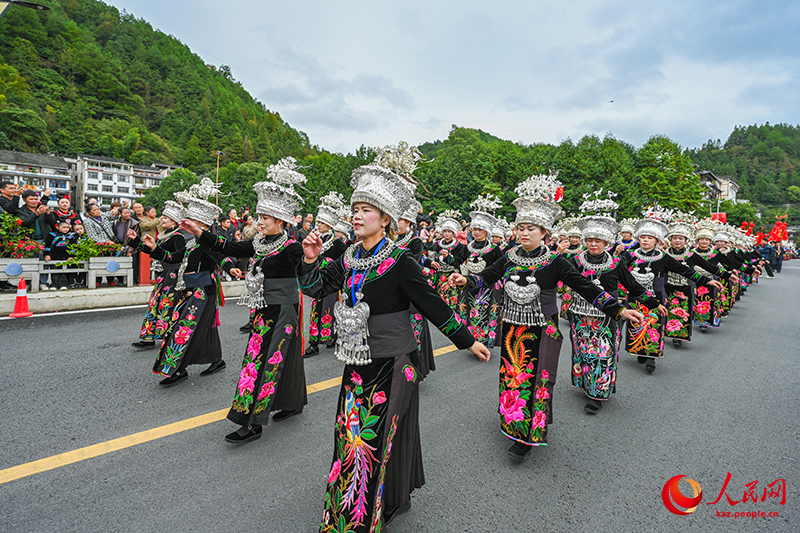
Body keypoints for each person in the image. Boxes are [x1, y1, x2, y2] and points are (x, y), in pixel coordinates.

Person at [298, 151, 490, 531]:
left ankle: (362, 516)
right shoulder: (347, 258)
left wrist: (468, 340)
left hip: (393, 362)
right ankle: (366, 504)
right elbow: (313, 288)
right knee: (349, 435)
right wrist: (308, 260)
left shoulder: (402, 261)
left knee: (374, 438)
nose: (356, 215)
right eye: (355, 209)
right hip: (356, 363)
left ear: (385, 219)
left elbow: (432, 304)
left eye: (366, 210)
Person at [450, 174, 643, 462]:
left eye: (531, 229)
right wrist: (465, 281)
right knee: (512, 379)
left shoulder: (556, 262)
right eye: (521, 228)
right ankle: (514, 424)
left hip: (543, 330)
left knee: (539, 380)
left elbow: (586, 288)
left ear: (545, 233)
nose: (524, 233)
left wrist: (617, 309)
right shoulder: (509, 256)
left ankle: (530, 435)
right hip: (512, 328)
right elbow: (486, 279)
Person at [184, 160, 307, 443]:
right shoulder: (258, 244)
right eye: (259, 216)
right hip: (263, 309)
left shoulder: (292, 248)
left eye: (265, 217)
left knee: (263, 362)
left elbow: (308, 272)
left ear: (281, 222)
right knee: (271, 358)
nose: (259, 221)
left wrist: (312, 257)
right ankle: (291, 402)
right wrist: (199, 232)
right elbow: (226, 246)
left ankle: (253, 421)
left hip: (285, 309)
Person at [565, 202, 663, 413]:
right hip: (579, 314)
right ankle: (585, 384)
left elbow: (633, 286)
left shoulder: (616, 263)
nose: (593, 244)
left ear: (606, 242)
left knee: (603, 353)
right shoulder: (574, 261)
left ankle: (597, 394)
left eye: (598, 241)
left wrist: (654, 303)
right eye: (589, 240)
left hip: (607, 315)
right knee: (582, 351)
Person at [143, 179, 227, 386]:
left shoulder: (208, 244)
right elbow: (171, 258)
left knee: (183, 327)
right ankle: (216, 359)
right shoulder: (190, 243)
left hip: (202, 290)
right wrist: (153, 247)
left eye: (191, 220)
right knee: (205, 327)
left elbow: (224, 257)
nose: (186, 222)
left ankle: (177, 369)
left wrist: (231, 266)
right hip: (188, 289)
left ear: (204, 226)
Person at [622, 209, 723, 373]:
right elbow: (618, 270)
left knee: (654, 324)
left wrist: (706, 280)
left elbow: (685, 271)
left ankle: (651, 356)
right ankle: (640, 349)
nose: (645, 240)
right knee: (637, 323)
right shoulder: (630, 255)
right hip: (635, 296)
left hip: (657, 295)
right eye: (643, 237)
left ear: (657, 240)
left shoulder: (663, 257)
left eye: (650, 238)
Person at [663, 216, 736, 346]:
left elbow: (708, 266)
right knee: (666, 310)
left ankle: (678, 336)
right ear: (670, 240)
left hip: (685, 286)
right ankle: (664, 333)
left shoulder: (690, 255)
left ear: (686, 240)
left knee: (682, 311)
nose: (677, 241)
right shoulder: (663, 254)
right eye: (675, 238)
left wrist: (726, 275)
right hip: (666, 286)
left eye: (681, 238)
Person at [129, 201, 187, 350]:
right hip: (163, 274)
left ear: (174, 221)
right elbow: (152, 251)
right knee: (155, 304)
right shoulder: (165, 235)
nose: (162, 219)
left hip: (172, 275)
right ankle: (148, 338)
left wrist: (157, 250)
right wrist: (136, 240)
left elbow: (177, 257)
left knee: (167, 305)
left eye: (166, 218)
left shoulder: (178, 236)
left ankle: (168, 335)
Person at [455, 195, 503, 348]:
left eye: (480, 229)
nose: (476, 232)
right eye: (474, 229)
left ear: (487, 231)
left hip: (487, 287)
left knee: (482, 313)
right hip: (468, 284)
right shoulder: (467, 247)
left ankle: (483, 341)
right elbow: (456, 262)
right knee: (467, 311)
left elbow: (502, 268)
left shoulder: (495, 250)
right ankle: (469, 341)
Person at [304, 192, 348, 358]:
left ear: (330, 224)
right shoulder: (314, 239)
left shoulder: (337, 243)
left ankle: (331, 336)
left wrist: (325, 261)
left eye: (323, 222)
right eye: (318, 222)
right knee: (315, 310)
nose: (319, 225)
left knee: (330, 310)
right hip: (316, 280)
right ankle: (313, 343)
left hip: (331, 282)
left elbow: (344, 261)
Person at [427, 210, 468, 309]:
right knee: (441, 298)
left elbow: (460, 260)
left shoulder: (459, 246)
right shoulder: (438, 243)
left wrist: (448, 257)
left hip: (453, 274)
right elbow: (430, 253)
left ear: (453, 233)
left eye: (449, 232)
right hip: (440, 274)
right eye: (444, 231)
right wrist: (431, 238)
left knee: (453, 298)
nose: (446, 234)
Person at [43, 218, 78, 290]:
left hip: (66, 256)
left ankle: (63, 284)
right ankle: (54, 284)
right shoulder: (52, 235)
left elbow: (73, 247)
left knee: (64, 270)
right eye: (64, 227)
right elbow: (47, 245)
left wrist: (72, 256)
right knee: (54, 270)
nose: (66, 229)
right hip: (54, 255)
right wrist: (47, 254)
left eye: (68, 227)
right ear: (57, 227)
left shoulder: (71, 236)